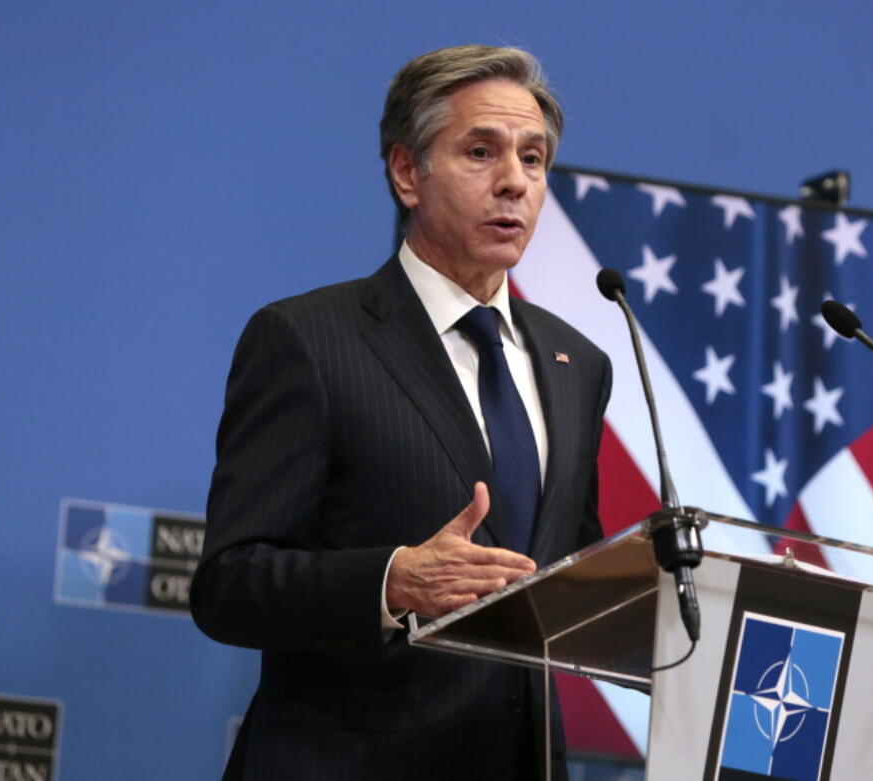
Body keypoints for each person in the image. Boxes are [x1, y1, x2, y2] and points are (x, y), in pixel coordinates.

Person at [190, 44, 611, 780]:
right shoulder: (309, 340)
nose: (514, 181)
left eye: (534, 159)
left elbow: (565, 571)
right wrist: (390, 581)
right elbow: (229, 584)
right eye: (481, 151)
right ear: (407, 172)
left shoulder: (579, 365)